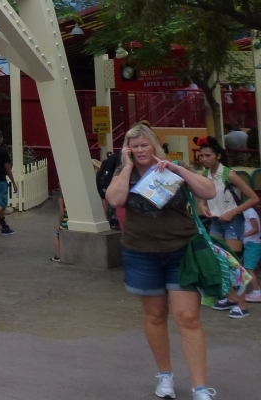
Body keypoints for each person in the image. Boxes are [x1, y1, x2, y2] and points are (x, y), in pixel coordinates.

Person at [105, 122, 219, 400]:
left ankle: (200, 387)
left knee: (188, 317)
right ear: (127, 150)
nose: (140, 150)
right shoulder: (124, 173)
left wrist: (177, 170)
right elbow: (114, 199)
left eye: (144, 144)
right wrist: (128, 167)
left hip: (180, 251)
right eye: (134, 146)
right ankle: (165, 375)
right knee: (155, 316)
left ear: (154, 144)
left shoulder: (174, 168)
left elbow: (208, 191)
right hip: (141, 253)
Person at [197, 137, 258, 317]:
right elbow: (204, 195)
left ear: (218, 156)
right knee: (220, 261)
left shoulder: (228, 174)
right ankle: (230, 297)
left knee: (233, 263)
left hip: (233, 221)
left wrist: (232, 212)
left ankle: (242, 304)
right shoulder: (205, 174)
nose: (204, 159)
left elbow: (253, 198)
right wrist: (203, 205)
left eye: (208, 155)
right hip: (216, 221)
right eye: (202, 156)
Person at [242, 206, 260, 304]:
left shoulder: (249, 211)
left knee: (249, 269)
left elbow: (255, 228)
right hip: (250, 244)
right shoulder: (247, 211)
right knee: (249, 268)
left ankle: (257, 292)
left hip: (253, 244)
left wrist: (243, 235)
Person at [51, 196, 67, 262]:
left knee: (56, 236)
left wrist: (59, 223)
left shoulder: (61, 198)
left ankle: (58, 256)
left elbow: (61, 212)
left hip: (65, 222)